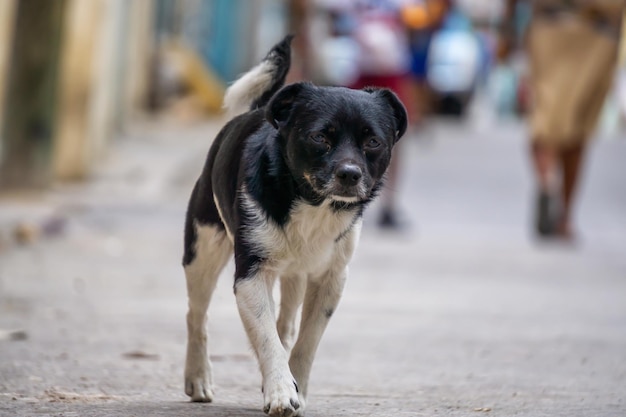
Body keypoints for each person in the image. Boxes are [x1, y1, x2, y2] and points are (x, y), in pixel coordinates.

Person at [499, 0, 624, 240]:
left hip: (551, 25)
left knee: (546, 114)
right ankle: (565, 216)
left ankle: (547, 179)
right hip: (597, 31)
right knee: (578, 126)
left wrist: (507, 28)